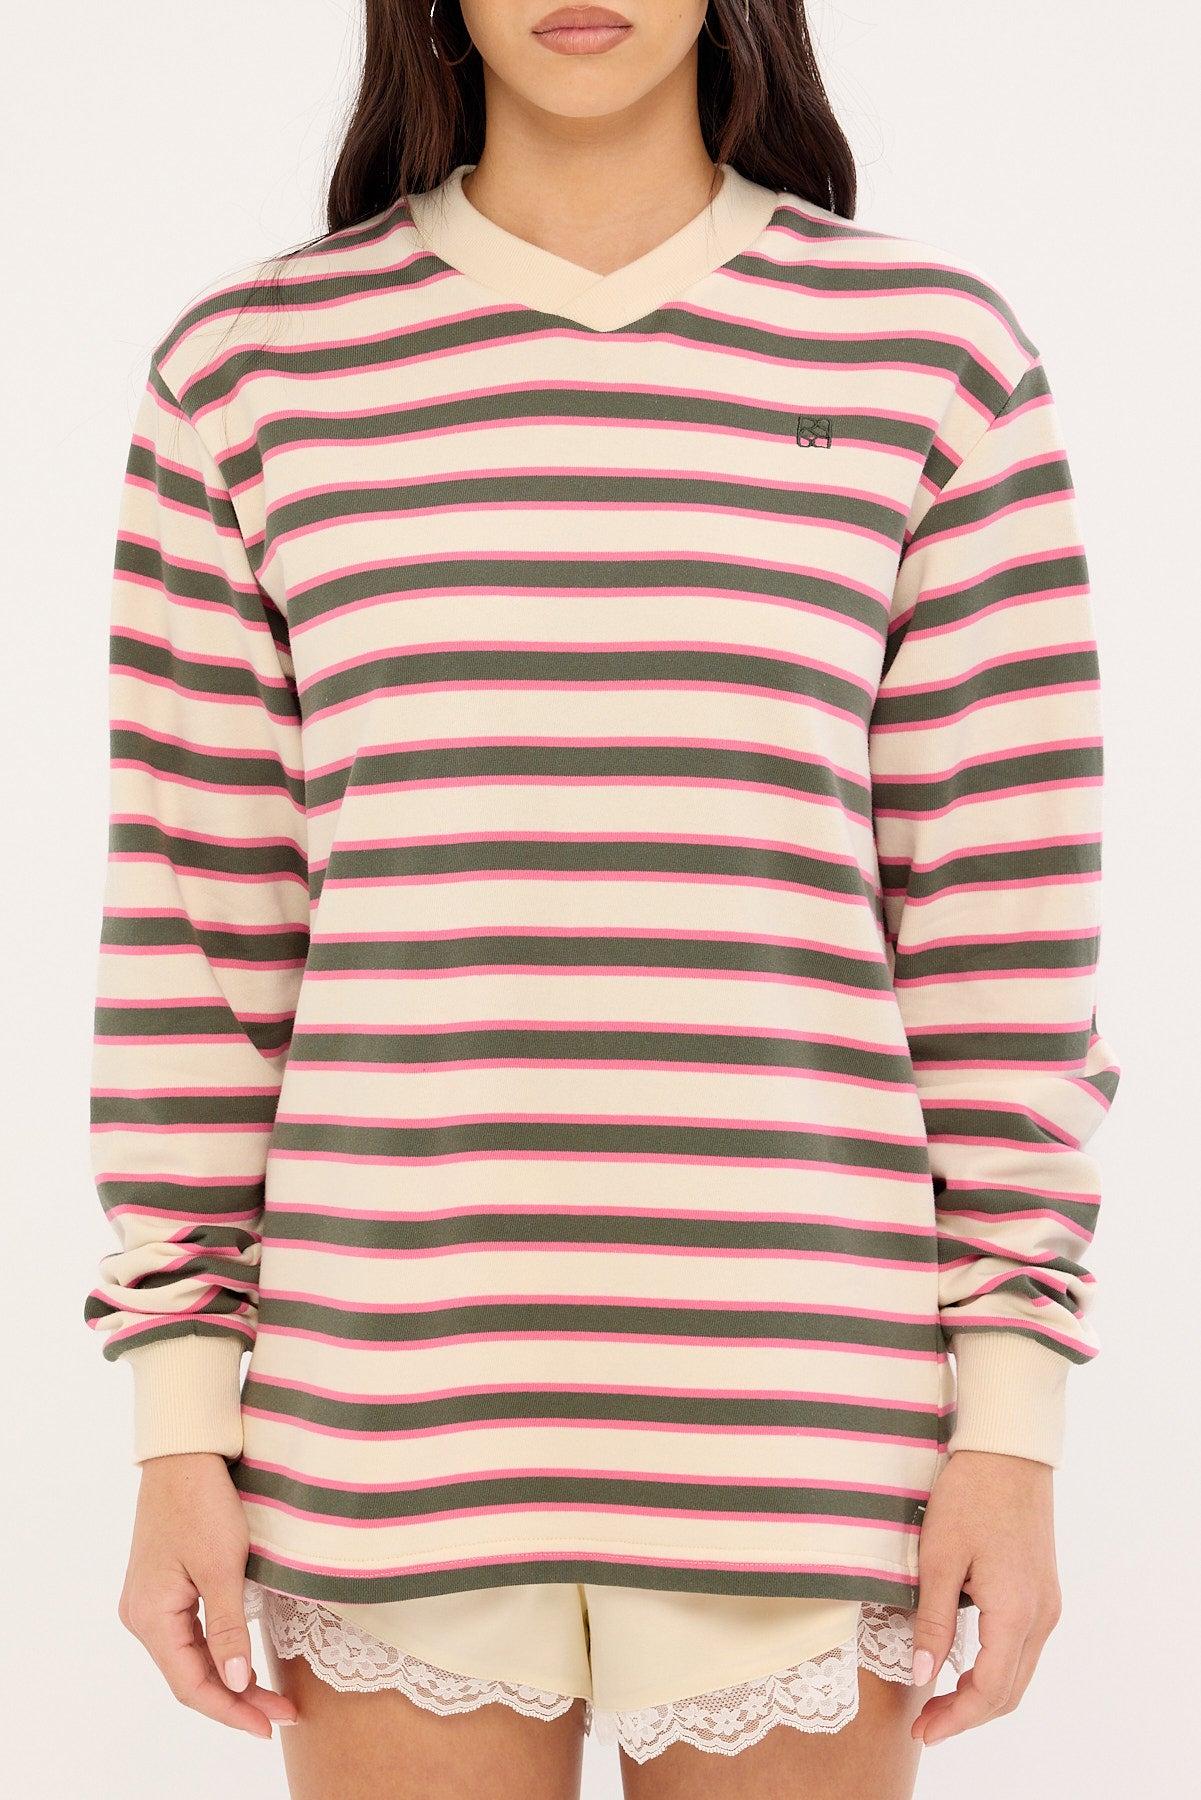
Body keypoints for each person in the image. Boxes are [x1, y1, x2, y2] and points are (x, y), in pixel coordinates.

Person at [85, 3, 1121, 1795]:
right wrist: (178, 1417)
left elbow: (999, 941)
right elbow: (202, 939)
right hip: (384, 1414)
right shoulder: (251, 370)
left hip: (812, 1420)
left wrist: (1012, 1425)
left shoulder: (926, 355)